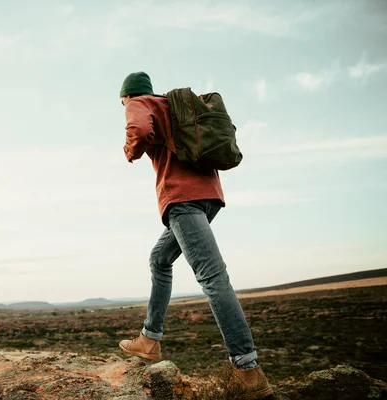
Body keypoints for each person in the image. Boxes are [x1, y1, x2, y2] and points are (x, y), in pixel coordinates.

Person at [117, 71, 273, 398]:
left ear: (127, 95)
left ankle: (248, 369)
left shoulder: (140, 102)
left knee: (212, 277)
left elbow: (140, 130)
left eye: (122, 102)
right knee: (160, 258)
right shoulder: (174, 109)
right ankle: (150, 339)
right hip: (208, 197)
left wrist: (130, 149)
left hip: (182, 199)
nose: (124, 107)